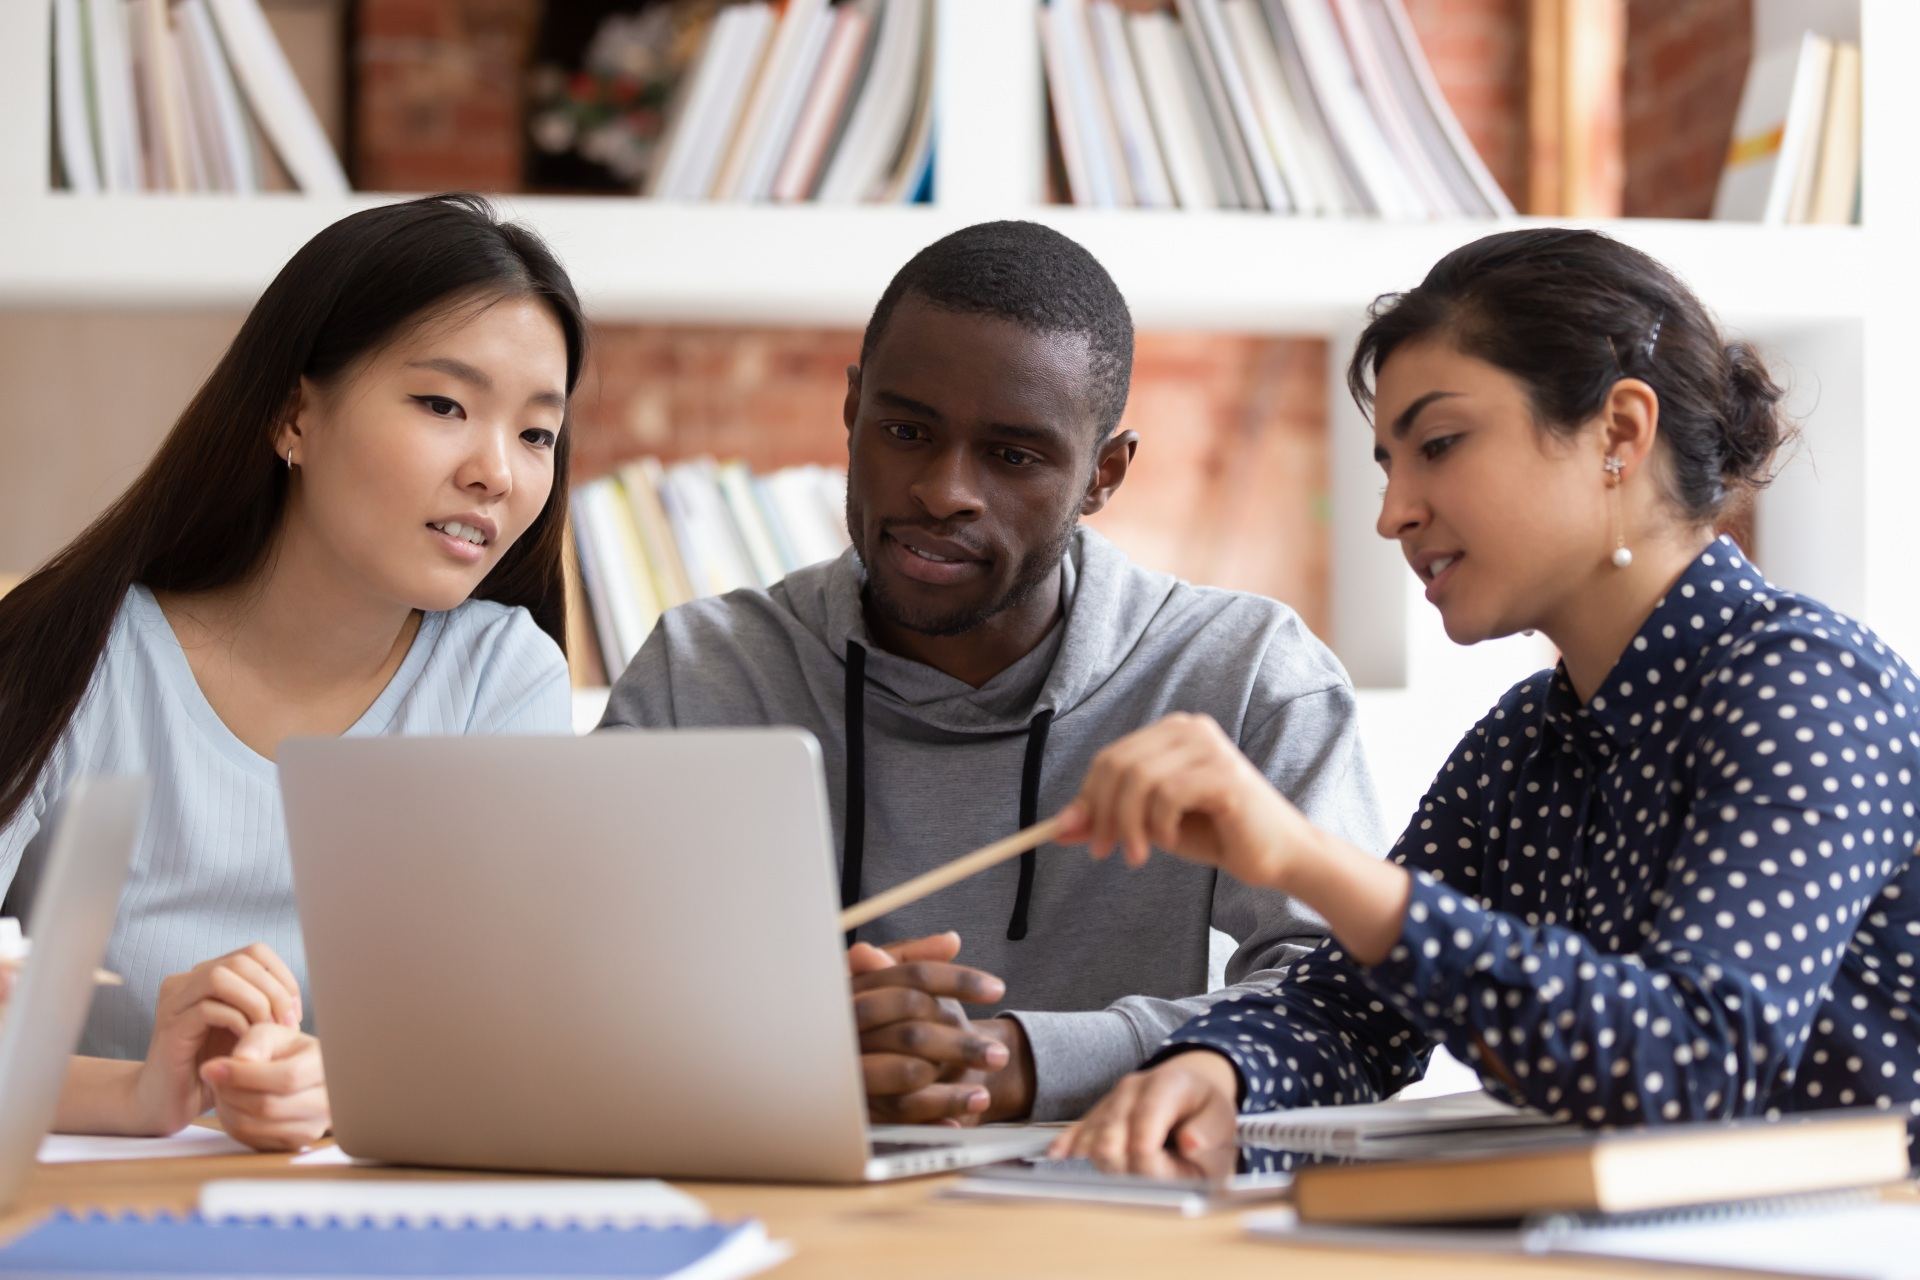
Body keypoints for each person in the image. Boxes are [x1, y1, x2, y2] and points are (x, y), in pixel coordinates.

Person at [1049, 227, 1920, 1164]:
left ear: (1620, 433)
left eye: (1440, 443)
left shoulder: (1808, 683)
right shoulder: (1525, 743)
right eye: (1389, 465)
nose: (1394, 514)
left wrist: (1306, 860)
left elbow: (1694, 1065)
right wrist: (1216, 1075)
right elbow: (1351, 1016)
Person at [600, 220, 1383, 1124]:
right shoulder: (702, 672)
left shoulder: (1247, 677)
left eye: (1013, 456)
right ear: (852, 413)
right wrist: (780, 1038)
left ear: (1104, 474)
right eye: (905, 430)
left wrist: (1024, 1061)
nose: (944, 491)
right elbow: (571, 991)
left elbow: (1348, 1010)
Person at [0, 194, 585, 1150]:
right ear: (292, 416)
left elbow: (515, 1037)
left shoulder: (501, 678)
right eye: (443, 405)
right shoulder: (73, 654)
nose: (499, 473)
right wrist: (145, 1093)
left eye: (536, 433)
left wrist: (351, 1088)